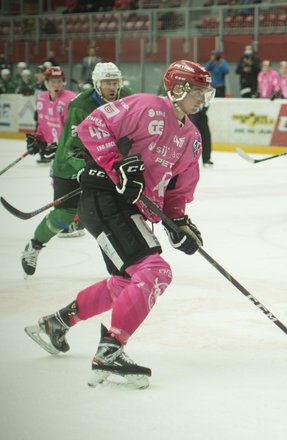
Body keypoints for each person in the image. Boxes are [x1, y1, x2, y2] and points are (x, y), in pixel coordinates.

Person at [24, 60, 213, 388]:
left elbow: (177, 191)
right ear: (178, 88)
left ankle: (56, 323)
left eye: (204, 91)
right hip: (104, 197)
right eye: (196, 89)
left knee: (126, 283)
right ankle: (109, 352)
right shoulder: (146, 106)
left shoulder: (192, 138)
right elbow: (92, 128)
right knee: (154, 272)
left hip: (130, 209)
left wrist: (178, 222)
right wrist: (116, 165)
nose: (202, 96)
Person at [21, 63, 133, 277]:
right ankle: (34, 246)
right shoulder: (80, 106)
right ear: (96, 84)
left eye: (115, 81)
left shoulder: (126, 96)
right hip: (69, 165)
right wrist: (84, 170)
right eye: (107, 82)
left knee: (113, 214)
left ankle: (124, 262)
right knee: (64, 214)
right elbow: (73, 148)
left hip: (105, 162)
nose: (112, 86)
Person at [188, 101, 213, 165]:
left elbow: (208, 101)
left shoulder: (206, 93)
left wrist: (204, 109)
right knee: (191, 137)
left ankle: (206, 159)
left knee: (206, 136)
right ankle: (188, 159)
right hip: (192, 114)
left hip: (202, 115)